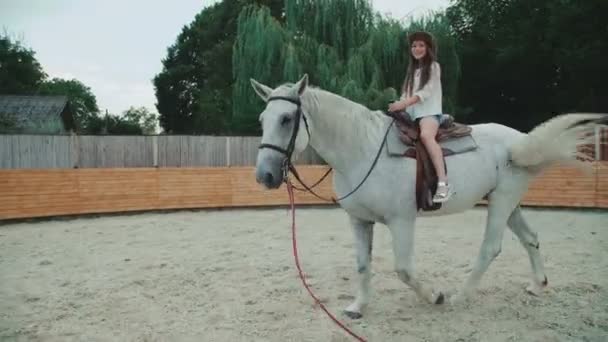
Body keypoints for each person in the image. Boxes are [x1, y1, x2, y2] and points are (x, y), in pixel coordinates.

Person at [388, 31, 452, 203]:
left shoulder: (434, 67)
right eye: (414, 45)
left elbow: (425, 92)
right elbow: (406, 94)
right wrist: (397, 105)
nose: (417, 48)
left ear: (428, 48)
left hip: (429, 113)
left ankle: (443, 183)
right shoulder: (412, 72)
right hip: (412, 115)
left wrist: (405, 103)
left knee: (426, 136)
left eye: (421, 45)